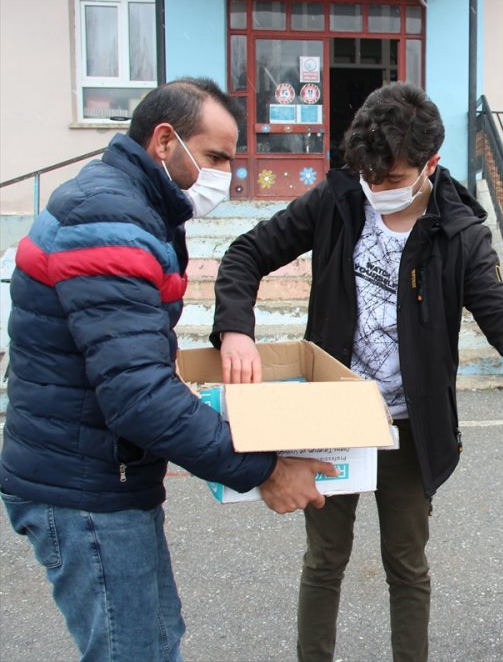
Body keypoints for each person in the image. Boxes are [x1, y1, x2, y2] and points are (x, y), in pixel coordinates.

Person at [210, 82, 503, 662]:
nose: (377, 189)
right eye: (369, 176)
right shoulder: (337, 198)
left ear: (431, 163)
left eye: (392, 179)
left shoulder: (460, 235)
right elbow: (246, 253)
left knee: (406, 564)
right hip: (330, 418)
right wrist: (236, 328)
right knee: (324, 560)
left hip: (407, 427)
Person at [0, 78, 335, 662]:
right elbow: (139, 397)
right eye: (215, 157)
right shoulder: (109, 220)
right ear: (164, 141)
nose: (225, 176)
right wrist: (264, 469)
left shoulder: (133, 209)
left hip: (105, 475)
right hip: (85, 487)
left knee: (156, 640)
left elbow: (131, 364)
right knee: (134, 651)